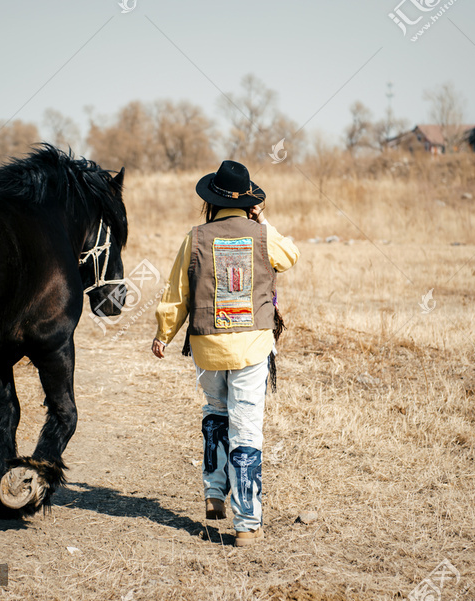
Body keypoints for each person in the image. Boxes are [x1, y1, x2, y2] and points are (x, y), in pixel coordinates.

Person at [151, 160, 299, 547]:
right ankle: (247, 524)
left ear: (211, 201)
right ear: (250, 203)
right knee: (246, 426)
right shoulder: (263, 235)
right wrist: (262, 221)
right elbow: (290, 256)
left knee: (216, 410)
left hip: (207, 346)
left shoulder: (195, 237)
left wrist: (163, 334)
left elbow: (177, 293)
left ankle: (214, 491)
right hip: (252, 345)